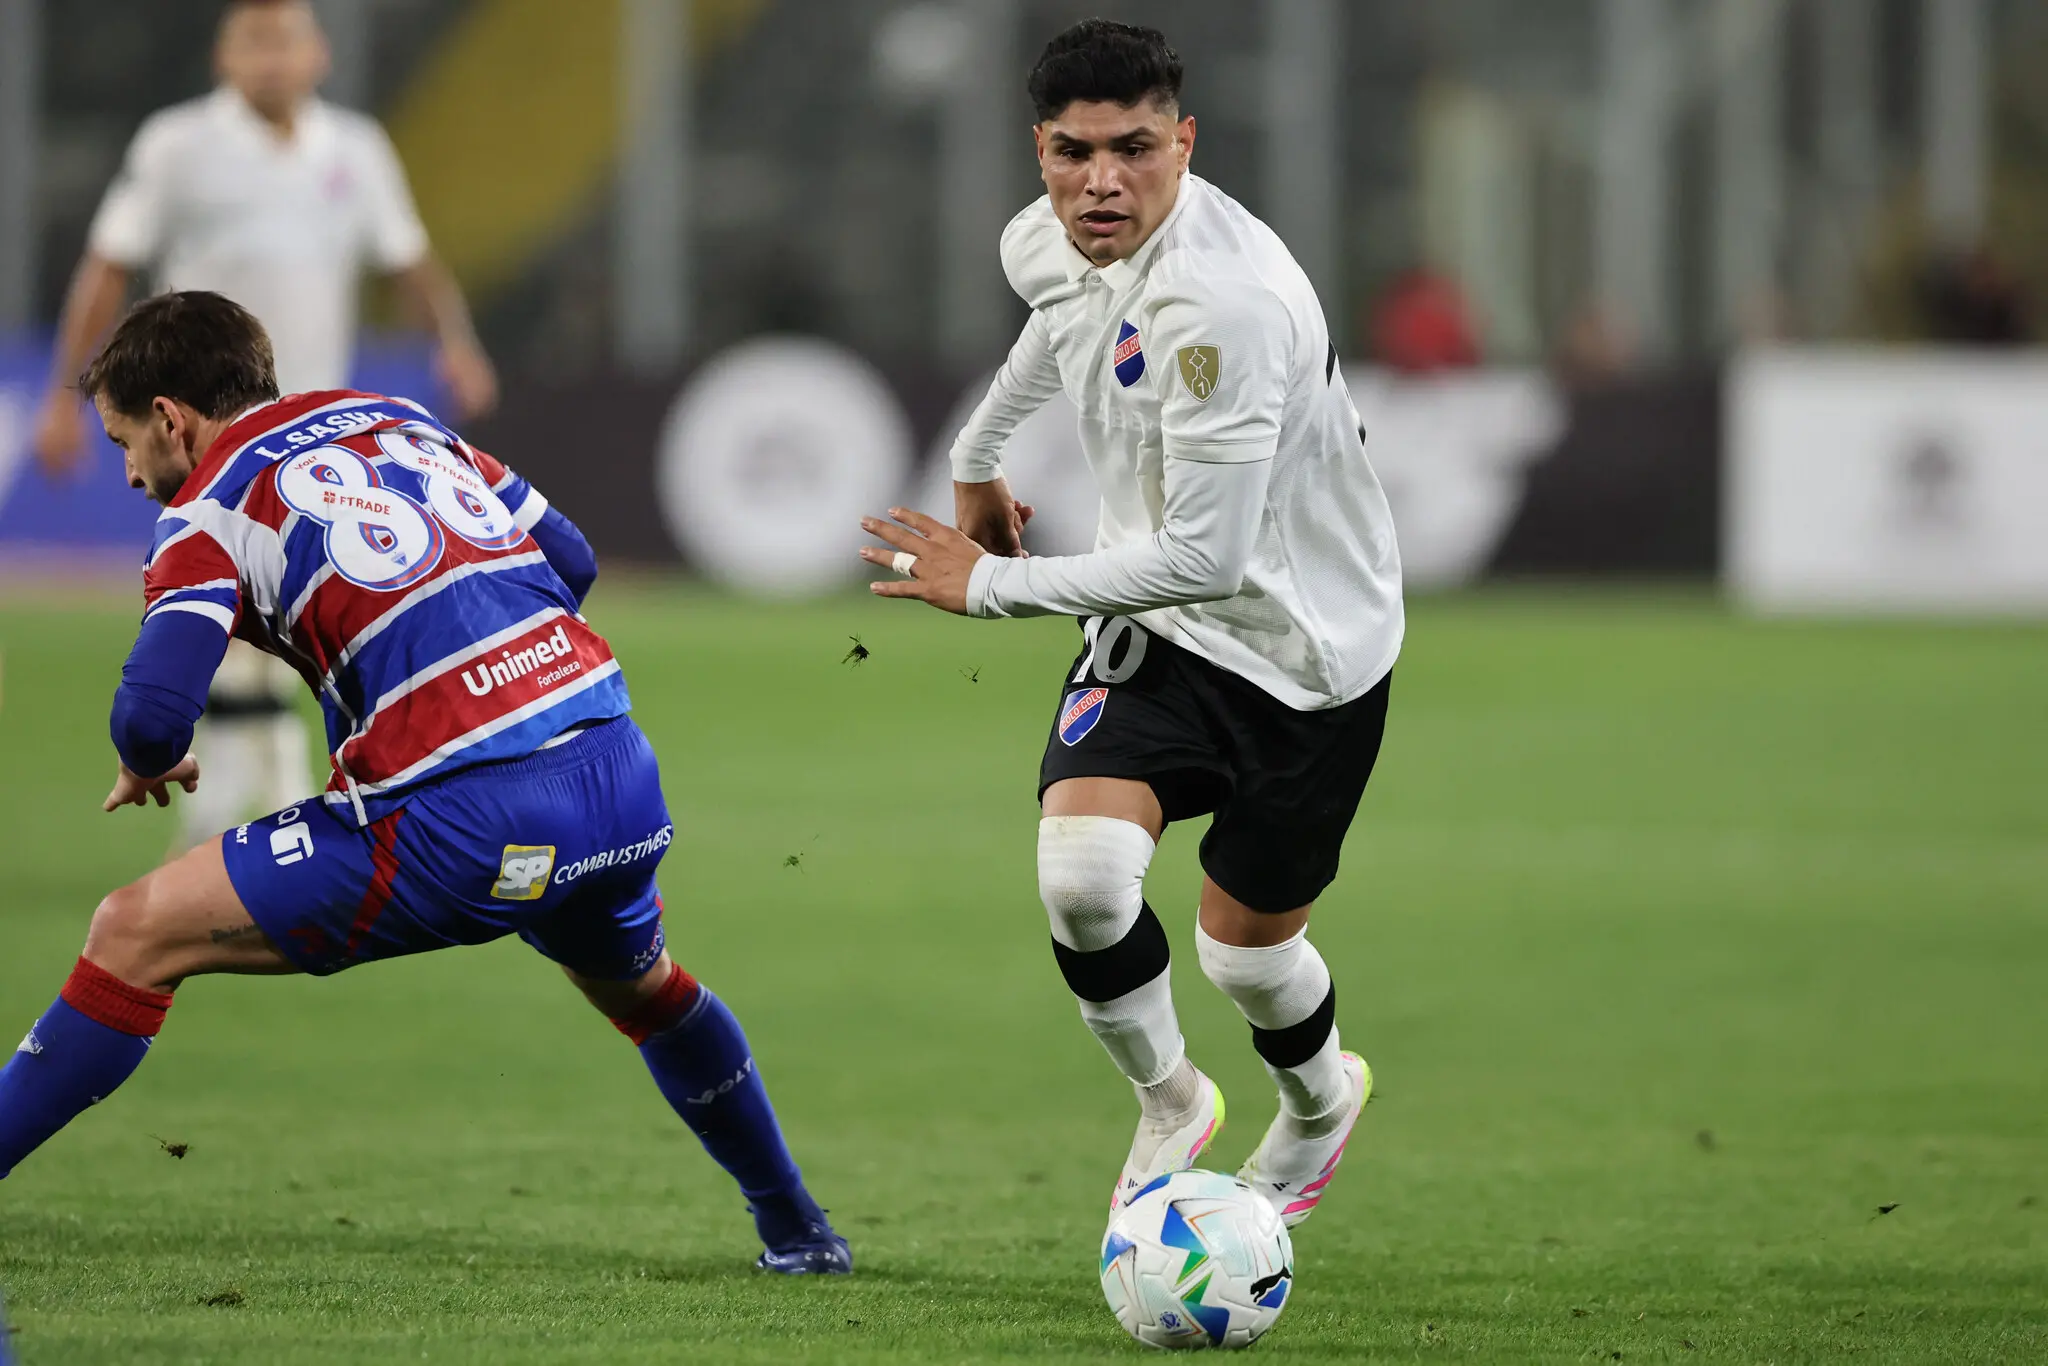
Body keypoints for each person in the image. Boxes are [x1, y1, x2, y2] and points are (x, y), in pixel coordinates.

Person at [0, 292, 850, 1275]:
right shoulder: (397, 417)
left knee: (132, 931)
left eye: (123, 442)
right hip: (615, 771)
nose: (129, 473)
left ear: (170, 417)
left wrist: (149, 760)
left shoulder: (207, 511)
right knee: (645, 988)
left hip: (458, 820)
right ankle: (800, 1231)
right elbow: (570, 559)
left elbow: (152, 715)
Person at [859, 21, 1402, 1229]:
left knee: (1244, 956)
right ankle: (1169, 1102)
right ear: (1040, 149)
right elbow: (1060, 319)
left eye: (1134, 150)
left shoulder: (1226, 309)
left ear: (1184, 143)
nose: (1100, 181)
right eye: (1073, 152)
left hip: (1304, 653)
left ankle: (1319, 1101)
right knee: (1083, 880)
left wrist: (986, 586)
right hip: (1157, 626)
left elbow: (1206, 559)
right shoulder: (1045, 232)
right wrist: (976, 457)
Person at [30, 0, 501, 855]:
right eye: (255, 41)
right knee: (224, 594)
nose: (272, 58)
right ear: (225, 56)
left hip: (312, 423)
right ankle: (263, 791)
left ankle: (249, 793)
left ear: (319, 55)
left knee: (293, 601)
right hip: (204, 424)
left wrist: (457, 343)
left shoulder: (355, 149)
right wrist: (66, 397)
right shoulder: (178, 144)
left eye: (287, 40)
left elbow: (409, 259)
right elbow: (108, 262)